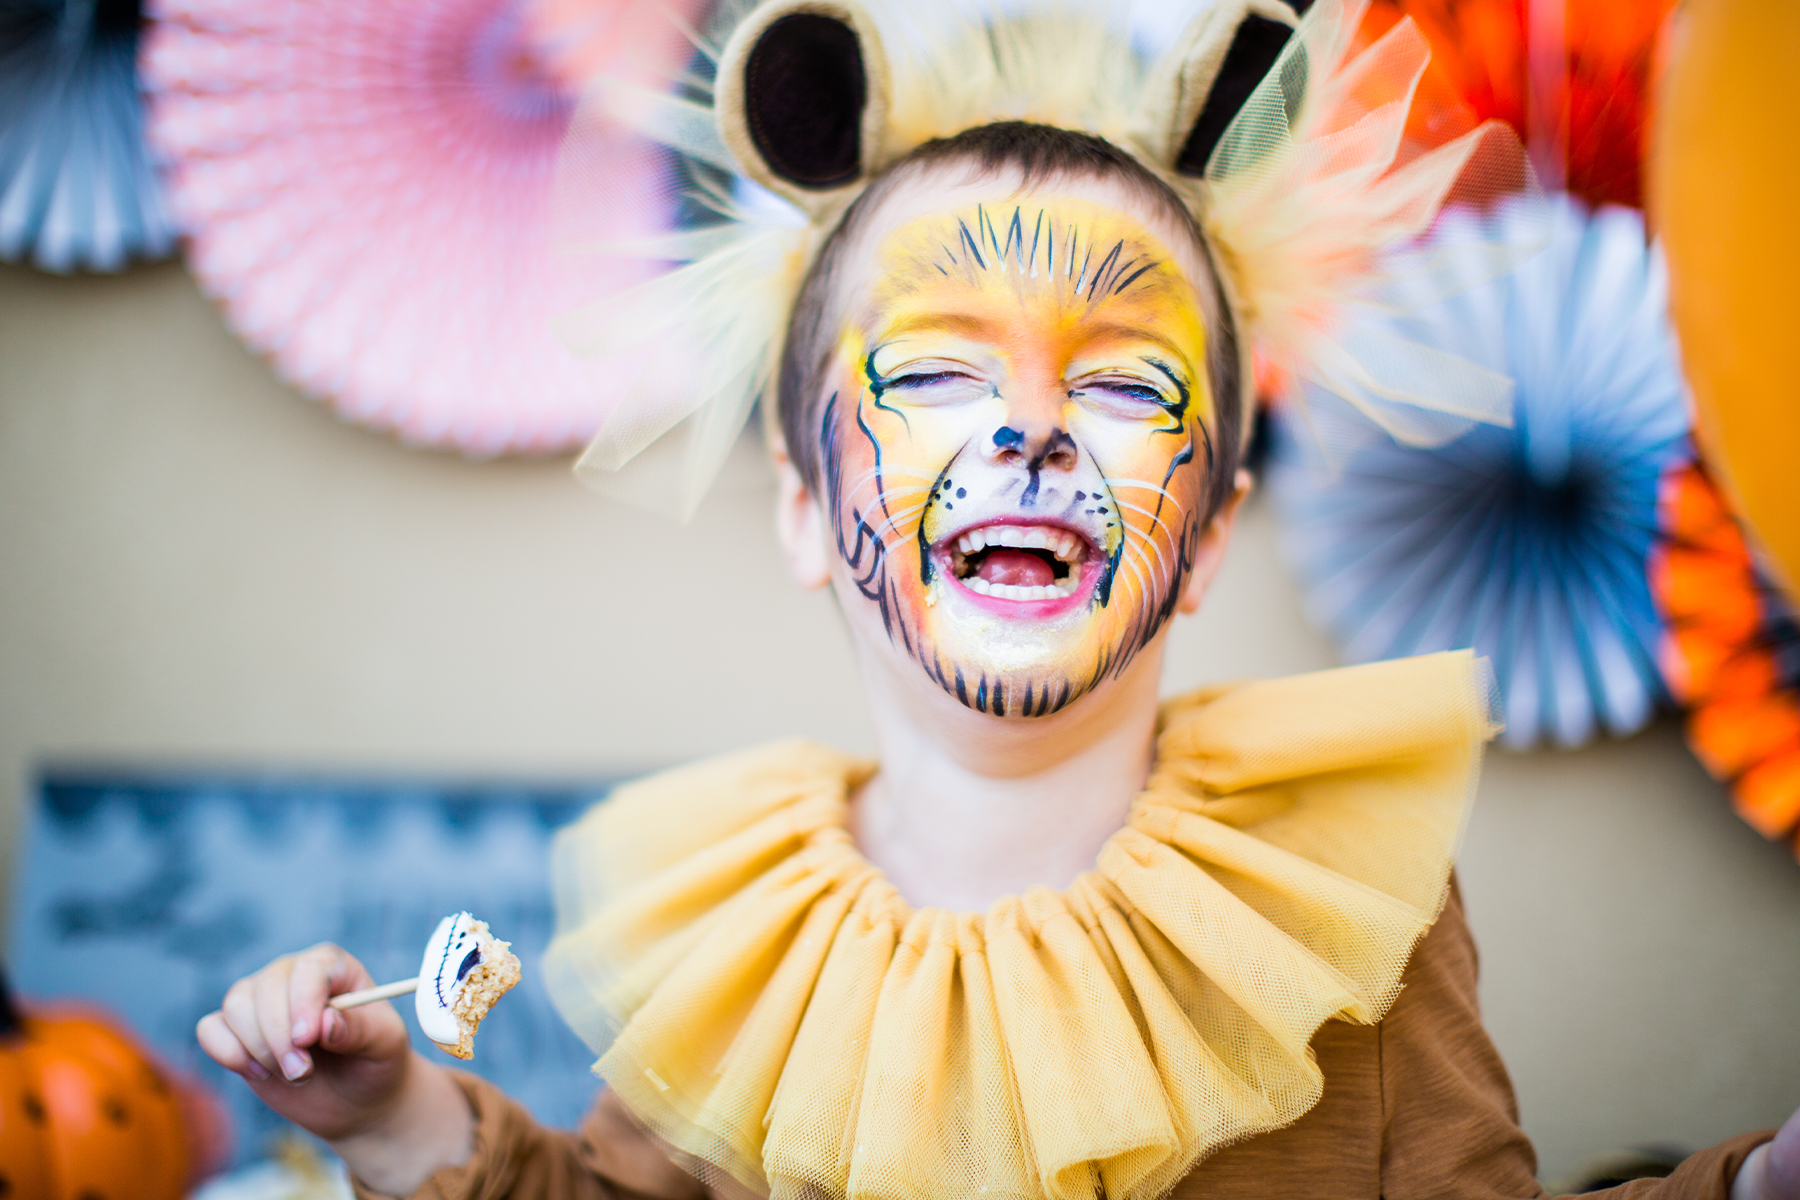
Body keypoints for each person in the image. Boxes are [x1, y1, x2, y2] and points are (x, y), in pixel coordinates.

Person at [195, 1, 1800, 1197]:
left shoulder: (1330, 901)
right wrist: (396, 1117)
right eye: (944, 370)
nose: (1029, 431)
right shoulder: (746, 941)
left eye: (1117, 386)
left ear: (1213, 528)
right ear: (810, 507)